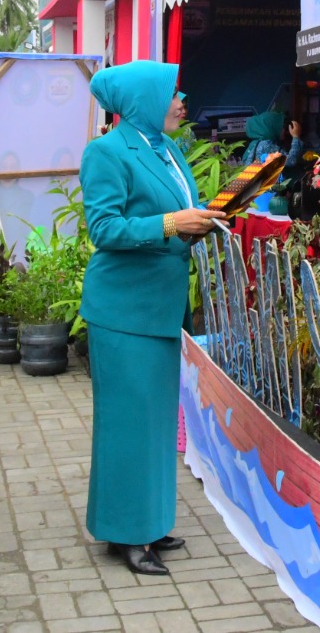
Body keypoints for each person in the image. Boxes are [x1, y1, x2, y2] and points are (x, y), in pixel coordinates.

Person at [79, 61, 226, 576]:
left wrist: (207, 216)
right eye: (170, 92)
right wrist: (170, 223)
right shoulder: (106, 152)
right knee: (127, 422)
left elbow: (183, 211)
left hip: (161, 305)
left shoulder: (167, 150)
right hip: (124, 310)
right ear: (142, 98)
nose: (181, 99)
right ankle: (127, 532)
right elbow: (104, 227)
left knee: (158, 421)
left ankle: (152, 521)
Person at [238, 111, 304, 168]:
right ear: (271, 128)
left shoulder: (255, 144)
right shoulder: (266, 145)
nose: (285, 131)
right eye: (282, 127)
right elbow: (291, 161)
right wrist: (296, 137)